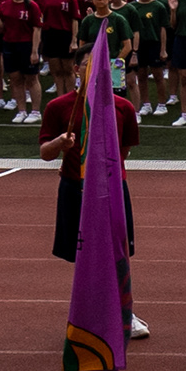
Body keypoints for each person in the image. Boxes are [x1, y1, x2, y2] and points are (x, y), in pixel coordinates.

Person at [40, 60, 150, 342]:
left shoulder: (122, 107)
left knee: (118, 252)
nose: (95, 69)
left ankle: (124, 313)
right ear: (75, 68)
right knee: (83, 255)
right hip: (74, 189)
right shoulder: (58, 107)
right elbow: (45, 153)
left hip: (112, 189)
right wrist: (60, 143)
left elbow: (124, 150)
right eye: (88, 64)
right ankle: (90, 313)